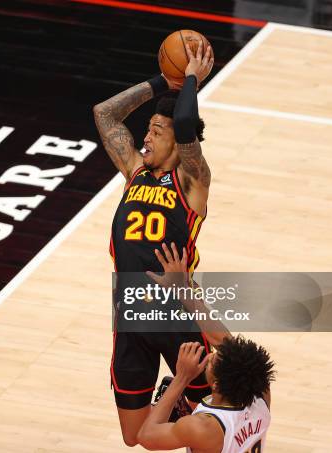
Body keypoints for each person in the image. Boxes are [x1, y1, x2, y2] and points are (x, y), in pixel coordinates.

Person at [93, 42, 213, 446]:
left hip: (177, 315)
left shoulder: (192, 181)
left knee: (205, 431)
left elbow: (184, 124)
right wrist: (166, 79)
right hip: (129, 315)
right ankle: (175, 397)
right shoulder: (134, 172)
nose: (145, 136)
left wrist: (192, 80)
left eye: (156, 131)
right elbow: (104, 113)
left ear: (178, 143)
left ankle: (178, 396)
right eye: (147, 128)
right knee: (134, 436)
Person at [137, 337, 275, 453]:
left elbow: (146, 435)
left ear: (216, 384)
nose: (208, 357)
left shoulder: (203, 428)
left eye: (211, 362)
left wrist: (182, 377)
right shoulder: (262, 395)